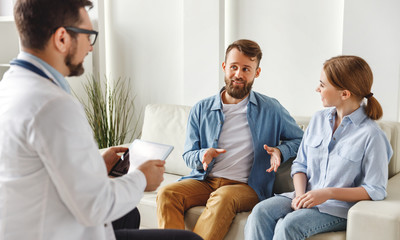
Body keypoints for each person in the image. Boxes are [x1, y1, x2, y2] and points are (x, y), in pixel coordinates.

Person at [0, 1, 202, 240]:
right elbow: (95, 206)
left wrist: (95, 164)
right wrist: (142, 178)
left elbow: (41, 167)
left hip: (23, 225)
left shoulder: (10, 86)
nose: (91, 47)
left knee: (130, 215)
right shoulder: (54, 105)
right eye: (88, 35)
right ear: (62, 38)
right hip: (58, 231)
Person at [156, 39, 304, 240]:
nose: (238, 74)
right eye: (234, 67)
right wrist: (202, 155)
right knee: (167, 194)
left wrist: (280, 151)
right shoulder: (201, 109)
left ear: (256, 73)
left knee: (223, 196)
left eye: (246, 69)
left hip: (247, 187)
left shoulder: (271, 108)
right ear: (225, 67)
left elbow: (302, 140)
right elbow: (188, 154)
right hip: (205, 180)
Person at [244, 55, 393, 240]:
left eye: (322, 85)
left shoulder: (372, 135)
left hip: (338, 209)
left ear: (344, 94)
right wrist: (300, 196)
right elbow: (300, 165)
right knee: (260, 213)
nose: (317, 89)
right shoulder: (318, 120)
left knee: (289, 225)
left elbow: (375, 190)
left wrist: (327, 193)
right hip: (304, 196)